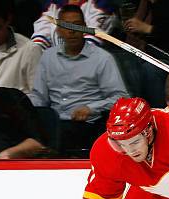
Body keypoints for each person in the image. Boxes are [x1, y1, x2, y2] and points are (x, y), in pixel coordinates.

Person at [29, 4, 129, 157]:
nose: (71, 31)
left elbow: (121, 98)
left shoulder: (102, 58)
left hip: (89, 126)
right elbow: (38, 98)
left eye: (77, 26)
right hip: (54, 125)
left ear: (84, 28)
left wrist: (91, 108)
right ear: (58, 30)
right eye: (66, 26)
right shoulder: (47, 57)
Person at [31, 0, 117, 49]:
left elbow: (90, 45)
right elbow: (39, 41)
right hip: (56, 68)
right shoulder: (53, 6)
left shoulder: (100, 5)